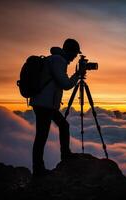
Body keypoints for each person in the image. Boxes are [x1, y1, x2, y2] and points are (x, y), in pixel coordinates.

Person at [30, 38, 81, 177]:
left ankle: (65, 154)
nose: (75, 56)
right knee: (42, 136)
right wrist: (77, 74)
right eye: (75, 53)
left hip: (46, 104)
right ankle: (38, 170)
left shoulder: (55, 59)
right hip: (44, 104)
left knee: (63, 126)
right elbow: (65, 84)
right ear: (69, 51)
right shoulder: (58, 60)